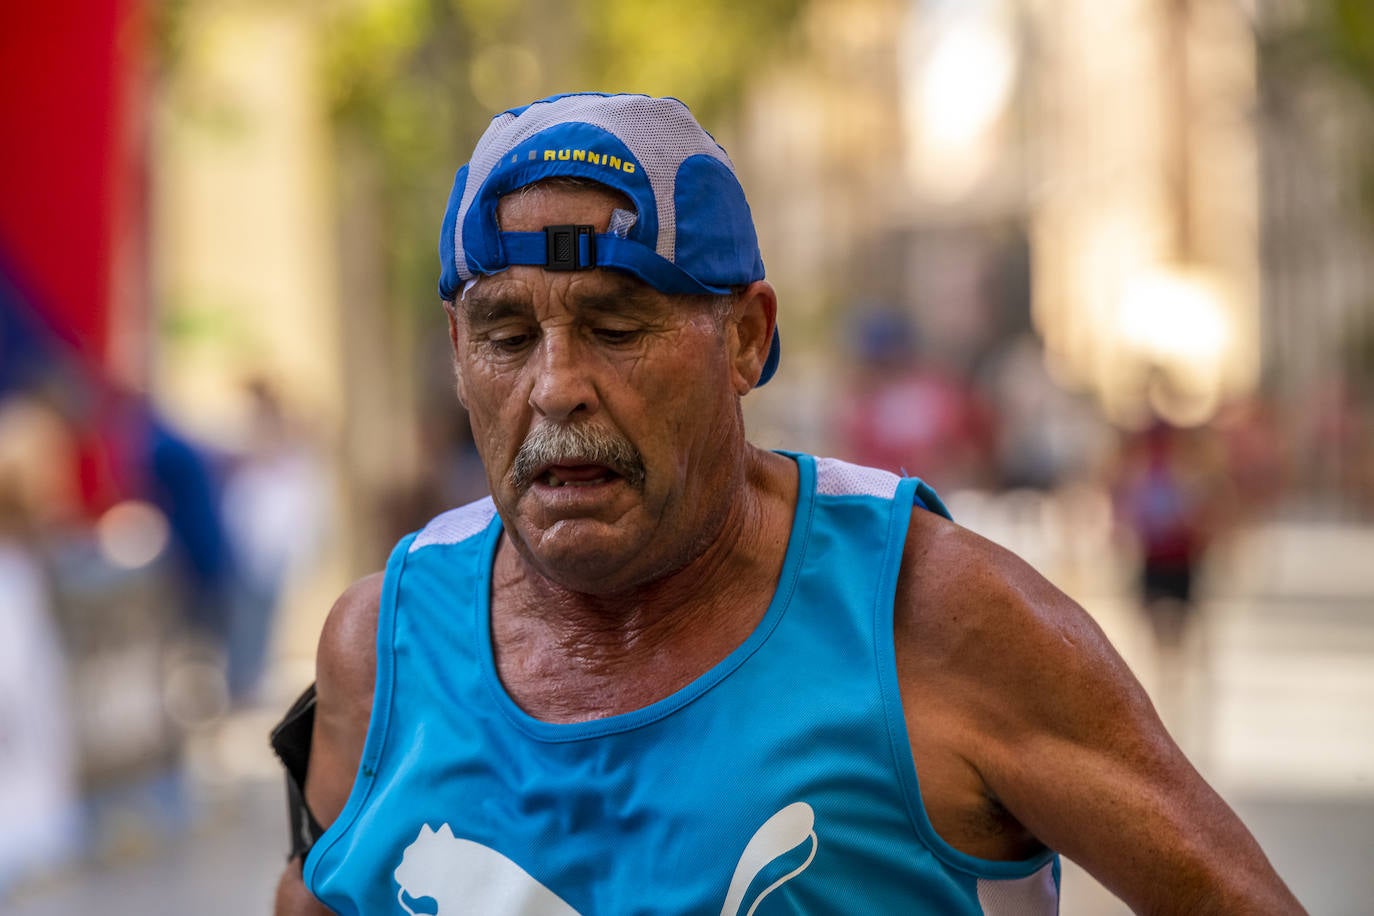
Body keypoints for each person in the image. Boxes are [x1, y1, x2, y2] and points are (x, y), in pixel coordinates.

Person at [273, 93, 1303, 915]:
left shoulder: (936, 619)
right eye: (505, 336)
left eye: (617, 325)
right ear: (458, 355)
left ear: (747, 339)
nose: (554, 386)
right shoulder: (382, 644)